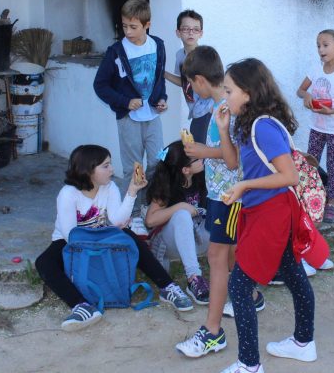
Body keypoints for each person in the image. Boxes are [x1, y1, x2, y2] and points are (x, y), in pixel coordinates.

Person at [218, 58, 316, 373]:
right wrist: (222, 130)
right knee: (291, 272)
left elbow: (290, 177)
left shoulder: (264, 125)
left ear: (248, 92)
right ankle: (304, 343)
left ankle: (249, 364)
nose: (225, 95)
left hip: (272, 212)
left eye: (229, 90)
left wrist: (246, 186)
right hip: (261, 210)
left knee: (239, 285)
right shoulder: (244, 121)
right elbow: (233, 164)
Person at [35, 145, 192, 332]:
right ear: (88, 170)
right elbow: (70, 235)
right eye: (105, 166)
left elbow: (118, 221)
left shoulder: (109, 187)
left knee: (130, 238)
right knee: (44, 262)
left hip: (103, 234)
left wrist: (132, 190)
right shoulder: (68, 194)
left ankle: (168, 287)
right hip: (71, 241)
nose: (112, 169)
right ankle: (81, 306)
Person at [175, 46, 265, 359]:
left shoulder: (226, 108)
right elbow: (222, 154)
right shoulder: (220, 107)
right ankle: (250, 295)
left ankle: (213, 331)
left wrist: (203, 152)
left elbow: (233, 158)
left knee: (217, 256)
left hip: (230, 195)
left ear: (199, 80)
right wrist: (199, 160)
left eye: (191, 83)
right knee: (225, 257)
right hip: (220, 193)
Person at [93, 0, 168, 185]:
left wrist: (162, 99)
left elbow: (158, 78)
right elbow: (100, 85)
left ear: (147, 25)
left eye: (133, 27)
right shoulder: (116, 51)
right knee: (133, 168)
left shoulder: (158, 45)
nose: (127, 32)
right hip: (128, 119)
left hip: (153, 118)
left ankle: (152, 207)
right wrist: (125, 102)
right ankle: (133, 210)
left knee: (159, 162)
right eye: (124, 26)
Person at [296, 29, 334, 223]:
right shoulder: (315, 69)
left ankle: (330, 202)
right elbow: (301, 90)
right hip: (317, 126)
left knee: (332, 164)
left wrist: (331, 112)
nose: (321, 49)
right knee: (310, 161)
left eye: (325, 45)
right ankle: (309, 197)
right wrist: (308, 96)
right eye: (318, 45)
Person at [145, 140, 210, 306]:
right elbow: (150, 220)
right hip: (172, 244)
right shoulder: (167, 184)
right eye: (197, 158)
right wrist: (179, 207)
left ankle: (237, 269)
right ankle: (194, 278)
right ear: (185, 169)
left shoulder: (202, 176)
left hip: (198, 238)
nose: (202, 159)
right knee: (181, 215)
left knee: (230, 212)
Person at [164, 9, 214, 143]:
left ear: (201, 33)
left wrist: (213, 108)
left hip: (208, 111)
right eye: (186, 29)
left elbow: (217, 84)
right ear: (178, 33)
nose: (191, 33)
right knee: (196, 147)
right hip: (196, 112)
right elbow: (184, 82)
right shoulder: (180, 55)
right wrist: (163, 73)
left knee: (202, 149)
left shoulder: (206, 56)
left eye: (196, 29)